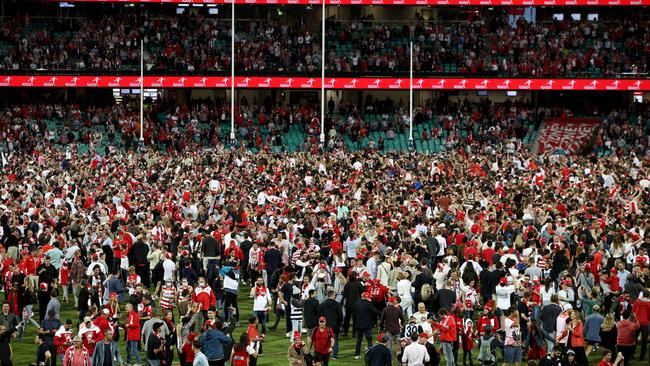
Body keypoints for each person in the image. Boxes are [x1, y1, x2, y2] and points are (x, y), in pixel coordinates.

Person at [353, 292, 381, 359]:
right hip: (367, 325)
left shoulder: (356, 303)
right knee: (369, 340)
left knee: (359, 340)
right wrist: (383, 313)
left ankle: (357, 354)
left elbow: (354, 315)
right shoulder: (368, 304)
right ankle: (371, 354)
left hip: (359, 325)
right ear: (367, 297)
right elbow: (375, 311)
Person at [319, 290, 343, 359]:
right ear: (333, 295)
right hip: (335, 326)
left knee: (324, 341)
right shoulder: (337, 304)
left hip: (325, 325)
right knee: (335, 340)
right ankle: (334, 355)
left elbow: (320, 316)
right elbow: (340, 316)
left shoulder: (322, 304)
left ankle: (325, 354)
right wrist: (340, 324)